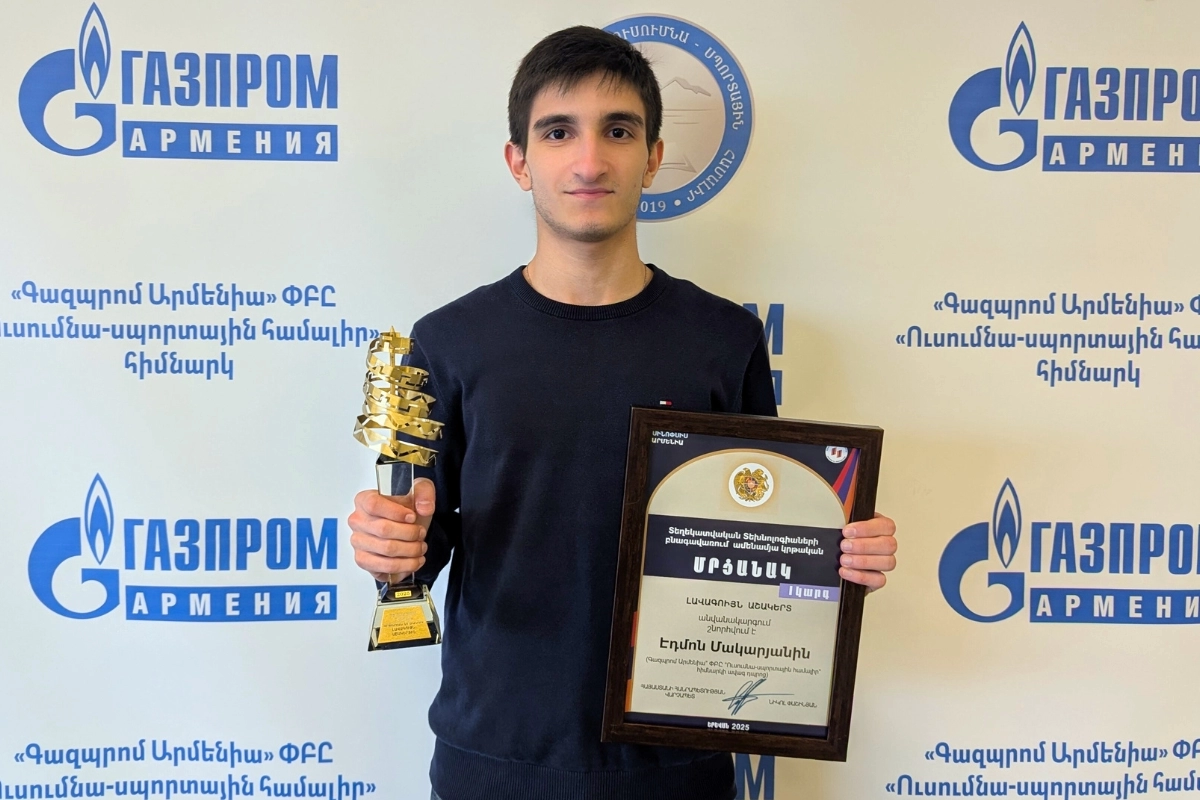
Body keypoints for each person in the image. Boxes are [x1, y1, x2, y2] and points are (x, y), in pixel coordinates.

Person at [348, 25, 898, 800]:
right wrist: (391, 548)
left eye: (617, 131)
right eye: (558, 132)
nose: (589, 160)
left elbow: (763, 545)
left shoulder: (723, 340)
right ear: (518, 162)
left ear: (653, 156)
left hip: (678, 768)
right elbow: (419, 553)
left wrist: (837, 560)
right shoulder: (448, 342)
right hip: (494, 764)